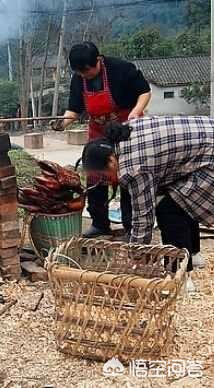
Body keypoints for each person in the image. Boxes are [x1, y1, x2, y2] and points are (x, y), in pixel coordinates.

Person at [81, 116, 214, 292]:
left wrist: (135, 254)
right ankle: (193, 254)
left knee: (169, 208)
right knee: (179, 197)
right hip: (206, 135)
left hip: (210, 158)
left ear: (111, 161)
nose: (106, 180)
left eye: (104, 174)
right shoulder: (124, 133)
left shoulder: (134, 168)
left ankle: (180, 277)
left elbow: (144, 217)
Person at [57, 42, 152, 238]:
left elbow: (145, 91)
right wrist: (61, 124)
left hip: (126, 129)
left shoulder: (121, 69)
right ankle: (99, 223)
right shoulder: (79, 79)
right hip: (98, 132)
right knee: (95, 176)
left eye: (87, 71)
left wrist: (135, 113)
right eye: (80, 72)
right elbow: (74, 108)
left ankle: (131, 226)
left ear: (98, 60)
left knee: (128, 176)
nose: (85, 75)